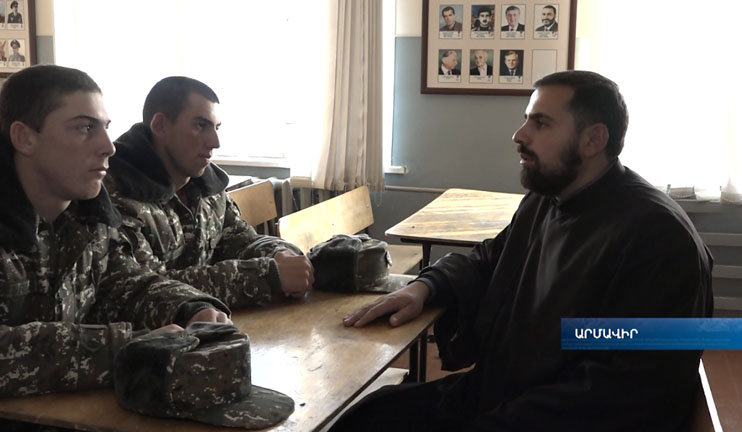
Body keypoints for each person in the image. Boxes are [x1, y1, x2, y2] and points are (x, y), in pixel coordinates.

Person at [329, 70, 713, 431]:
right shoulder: (549, 198)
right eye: (526, 119)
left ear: (594, 140)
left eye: (541, 123)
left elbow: (625, 389)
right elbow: (491, 259)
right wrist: (423, 288)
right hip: (500, 394)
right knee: (367, 415)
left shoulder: (657, 237)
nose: (519, 134)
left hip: (550, 418)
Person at [0, 65, 231, 403]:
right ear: (24, 138)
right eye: (84, 128)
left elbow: (123, 283)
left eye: (105, 128)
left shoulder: (85, 216)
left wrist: (189, 308)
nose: (109, 147)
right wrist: (123, 347)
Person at [103, 76, 315, 308]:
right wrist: (267, 276)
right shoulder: (116, 194)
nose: (215, 142)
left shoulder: (207, 184)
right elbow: (150, 290)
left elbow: (239, 239)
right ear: (160, 125)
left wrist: (279, 254)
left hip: (211, 327)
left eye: (216, 128)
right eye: (200, 126)